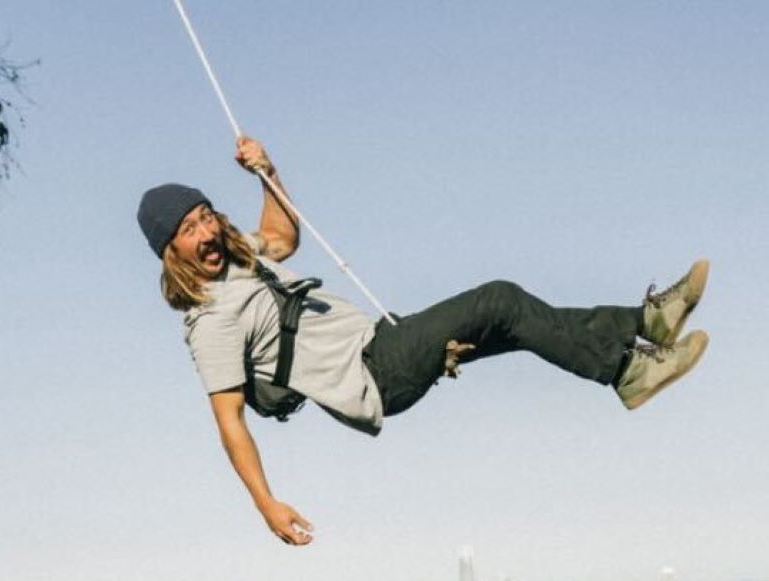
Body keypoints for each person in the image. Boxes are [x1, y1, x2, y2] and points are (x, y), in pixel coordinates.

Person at [137, 137, 709, 547]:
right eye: (189, 230)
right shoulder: (208, 321)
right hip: (374, 376)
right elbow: (229, 422)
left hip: (381, 338)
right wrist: (267, 504)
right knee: (499, 299)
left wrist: (269, 174)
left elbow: (283, 239)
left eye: (207, 216)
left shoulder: (240, 259)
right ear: (171, 251)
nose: (207, 232)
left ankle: (644, 325)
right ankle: (628, 371)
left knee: (513, 322)